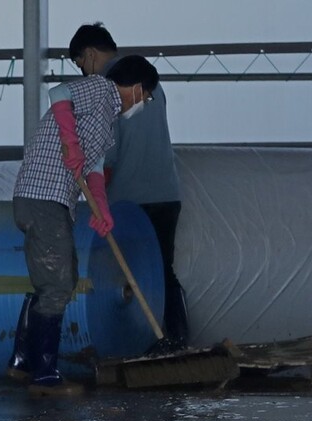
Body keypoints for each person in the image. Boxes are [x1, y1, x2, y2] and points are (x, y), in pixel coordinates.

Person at [10, 55, 159, 395]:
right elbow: (60, 94)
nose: (145, 102)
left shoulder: (108, 124)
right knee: (58, 284)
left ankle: (22, 360)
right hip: (41, 195)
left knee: (59, 279)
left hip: (57, 202)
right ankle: (44, 375)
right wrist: (69, 140)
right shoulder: (101, 89)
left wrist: (102, 209)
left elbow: (93, 169)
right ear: (136, 88)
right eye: (146, 96)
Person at [68, 23, 189, 348]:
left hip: (131, 203)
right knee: (163, 270)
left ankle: (142, 342)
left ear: (91, 54)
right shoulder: (151, 81)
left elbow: (106, 160)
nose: (83, 73)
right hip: (167, 196)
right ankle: (178, 338)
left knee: (127, 274)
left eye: (81, 64)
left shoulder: (108, 89)